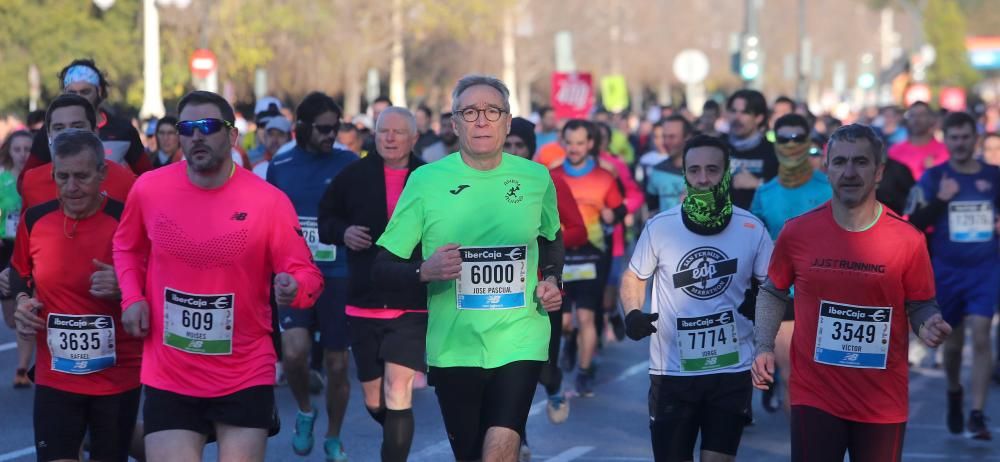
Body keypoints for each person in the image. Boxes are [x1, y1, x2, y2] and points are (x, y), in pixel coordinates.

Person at [113, 91, 324, 462]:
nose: (197, 136)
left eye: (208, 127)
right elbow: (126, 246)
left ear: (231, 136)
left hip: (243, 369)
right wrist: (132, 297)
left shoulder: (267, 201)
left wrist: (295, 287)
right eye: (187, 128)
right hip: (171, 369)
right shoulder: (149, 189)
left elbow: (307, 274)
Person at [373, 75, 563, 462]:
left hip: (520, 335)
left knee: (500, 448)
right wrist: (424, 270)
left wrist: (552, 278)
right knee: (473, 454)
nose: (481, 121)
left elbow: (551, 237)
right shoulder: (425, 181)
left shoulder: (536, 178)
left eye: (492, 111)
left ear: (507, 122)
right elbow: (383, 266)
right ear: (454, 124)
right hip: (454, 347)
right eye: (470, 112)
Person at [753, 124, 951, 462]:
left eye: (860, 162)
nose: (849, 172)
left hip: (881, 400)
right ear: (826, 169)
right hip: (815, 395)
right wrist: (763, 345)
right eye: (839, 162)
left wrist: (928, 323)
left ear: (879, 172)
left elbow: (919, 303)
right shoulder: (797, 232)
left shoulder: (908, 240)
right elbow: (773, 292)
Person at [621, 134, 771, 462]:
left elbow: (773, 287)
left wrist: (760, 304)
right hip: (672, 372)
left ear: (727, 172)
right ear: (685, 175)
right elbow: (634, 275)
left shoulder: (751, 228)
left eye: (713, 170)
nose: (704, 179)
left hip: (731, 369)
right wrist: (633, 312)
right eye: (695, 170)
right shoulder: (661, 227)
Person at [11, 129, 143, 462]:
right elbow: (19, 275)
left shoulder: (126, 220)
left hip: (116, 379)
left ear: (102, 173)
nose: (71, 187)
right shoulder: (36, 219)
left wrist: (125, 287)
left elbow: (159, 285)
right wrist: (22, 303)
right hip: (56, 377)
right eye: (63, 176)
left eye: (82, 177)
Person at [317, 107, 427, 462]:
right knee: (375, 400)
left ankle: (395, 452)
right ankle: (395, 436)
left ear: (414, 138)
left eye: (398, 132)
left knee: (399, 389)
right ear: (374, 136)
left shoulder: (430, 177)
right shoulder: (353, 175)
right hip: (363, 299)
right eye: (383, 132)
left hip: (412, 299)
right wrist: (344, 232)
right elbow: (325, 221)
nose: (390, 138)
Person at [266, 92, 358, 461]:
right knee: (293, 353)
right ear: (301, 128)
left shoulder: (349, 162)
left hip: (338, 272)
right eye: (323, 129)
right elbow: (269, 217)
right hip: (293, 272)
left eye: (335, 128)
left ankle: (334, 436)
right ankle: (305, 409)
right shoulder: (282, 162)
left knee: (337, 364)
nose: (330, 135)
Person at [906, 111, 999, 440]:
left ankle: (977, 413)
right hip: (947, 271)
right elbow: (912, 221)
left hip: (985, 269)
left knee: (982, 335)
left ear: (976, 139)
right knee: (954, 345)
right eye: (954, 138)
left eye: (965, 137)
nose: (960, 144)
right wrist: (942, 199)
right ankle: (954, 391)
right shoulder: (933, 178)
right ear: (946, 140)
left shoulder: (994, 175)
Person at [507, 116, 587, 460]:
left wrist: (539, 241)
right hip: (502, 294)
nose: (512, 152)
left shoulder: (547, 181)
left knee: (540, 368)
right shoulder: (482, 184)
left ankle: (554, 382)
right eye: (507, 145)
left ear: (531, 148)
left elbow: (577, 230)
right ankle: (518, 439)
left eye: (519, 146)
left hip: (543, 292)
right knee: (509, 374)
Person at [749, 113, 832, 413]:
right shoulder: (765, 193)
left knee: (822, 377)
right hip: (783, 292)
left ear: (808, 140)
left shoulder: (829, 188)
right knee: (792, 377)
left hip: (825, 293)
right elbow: (753, 242)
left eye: (798, 138)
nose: (791, 145)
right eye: (784, 139)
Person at [551, 119, 625, 397]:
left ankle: (583, 372)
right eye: (569, 142)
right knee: (565, 323)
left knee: (586, 318)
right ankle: (570, 343)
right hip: (561, 253)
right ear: (563, 143)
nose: (574, 148)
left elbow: (620, 208)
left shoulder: (604, 177)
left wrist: (611, 214)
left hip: (594, 255)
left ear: (590, 144)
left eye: (580, 143)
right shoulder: (552, 174)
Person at [22, 59, 150, 186]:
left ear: (99, 91)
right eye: (72, 92)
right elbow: (25, 180)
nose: (78, 97)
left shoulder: (123, 130)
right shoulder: (49, 129)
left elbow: (147, 176)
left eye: (85, 92)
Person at [20, 94, 136, 210]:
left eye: (77, 126)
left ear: (95, 132)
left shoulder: (125, 181)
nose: (68, 133)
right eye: (59, 128)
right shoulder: (31, 182)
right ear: (49, 135)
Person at [0, 130, 33, 388]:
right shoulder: (2, 180)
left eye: (27, 149)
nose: (22, 154)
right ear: (9, 152)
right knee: (11, 318)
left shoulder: (40, 179)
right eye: (17, 149)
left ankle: (22, 368)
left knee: (25, 310)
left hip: (32, 249)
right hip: (5, 248)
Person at [726, 89, 778, 210]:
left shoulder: (773, 152)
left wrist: (758, 184)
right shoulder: (716, 148)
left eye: (744, 112)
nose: (737, 117)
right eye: (733, 111)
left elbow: (785, 193)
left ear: (759, 117)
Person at [888, 101, 948, 181]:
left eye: (921, 115)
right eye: (912, 115)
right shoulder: (894, 151)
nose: (916, 119)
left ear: (931, 119)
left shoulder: (946, 151)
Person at [646, 116, 694, 214]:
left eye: (672, 137)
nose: (666, 142)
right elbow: (652, 210)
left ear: (687, 137)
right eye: (664, 136)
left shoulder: (703, 171)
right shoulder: (657, 171)